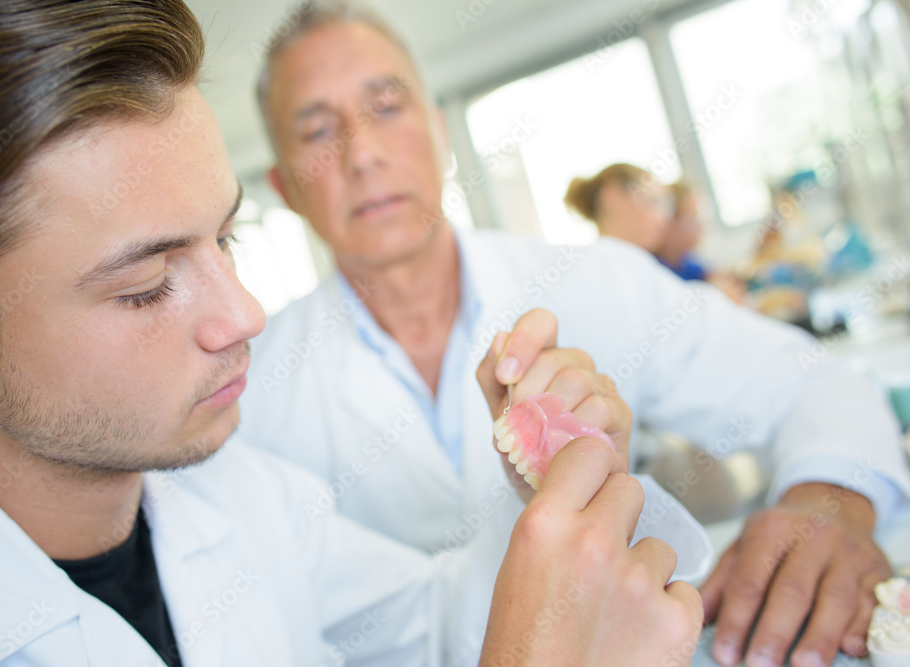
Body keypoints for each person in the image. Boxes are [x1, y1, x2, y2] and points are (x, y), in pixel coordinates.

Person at [0, 0, 706, 665]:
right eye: (145, 288)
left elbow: (431, 628)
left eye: (225, 240)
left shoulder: (244, 495)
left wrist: (545, 502)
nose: (247, 315)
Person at [239, 2, 910, 666]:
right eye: (318, 131)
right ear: (284, 187)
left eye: (386, 107)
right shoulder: (250, 393)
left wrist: (833, 502)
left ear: (438, 131)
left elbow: (814, 382)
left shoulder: (597, 281)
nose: (364, 154)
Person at [656, 182, 746, 303]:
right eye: (691, 218)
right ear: (666, 224)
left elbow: (713, 274)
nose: (700, 225)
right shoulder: (660, 273)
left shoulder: (683, 260)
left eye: (700, 215)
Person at [564, 163, 673, 253]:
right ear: (612, 196)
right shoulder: (594, 267)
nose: (663, 219)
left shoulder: (645, 267)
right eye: (652, 202)